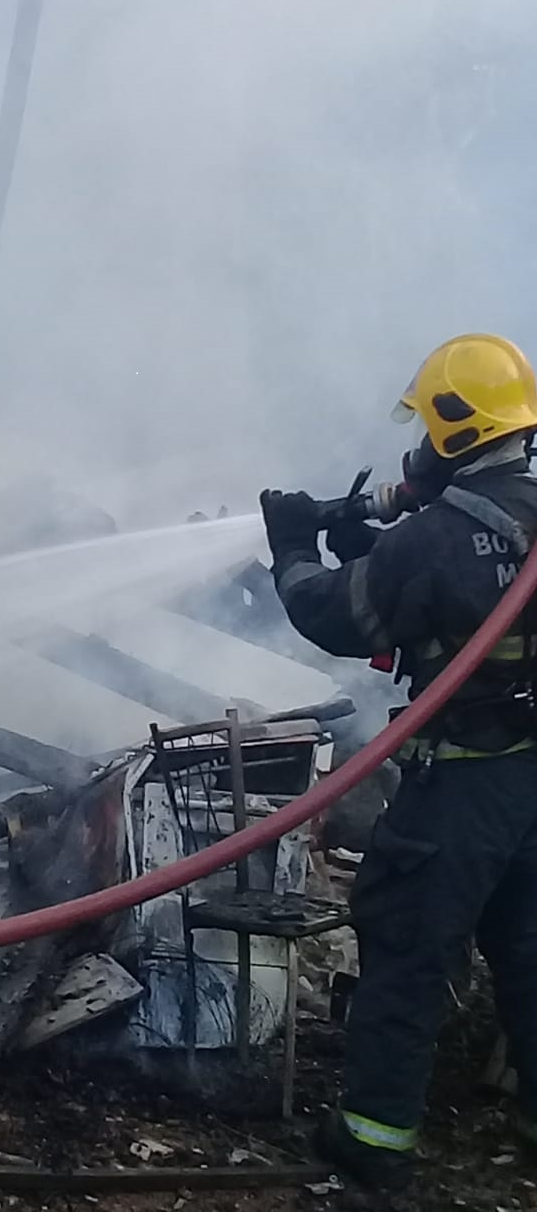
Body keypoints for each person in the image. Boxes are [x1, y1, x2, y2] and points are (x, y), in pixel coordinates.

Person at [259, 334, 537, 1191]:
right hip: (530, 780)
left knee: (410, 946)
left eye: (428, 423)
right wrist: (369, 542)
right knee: (528, 946)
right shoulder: (503, 518)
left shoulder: (441, 537)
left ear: (456, 428)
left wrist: (295, 548)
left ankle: (373, 1146)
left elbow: (339, 618)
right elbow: (439, 604)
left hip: (459, 782)